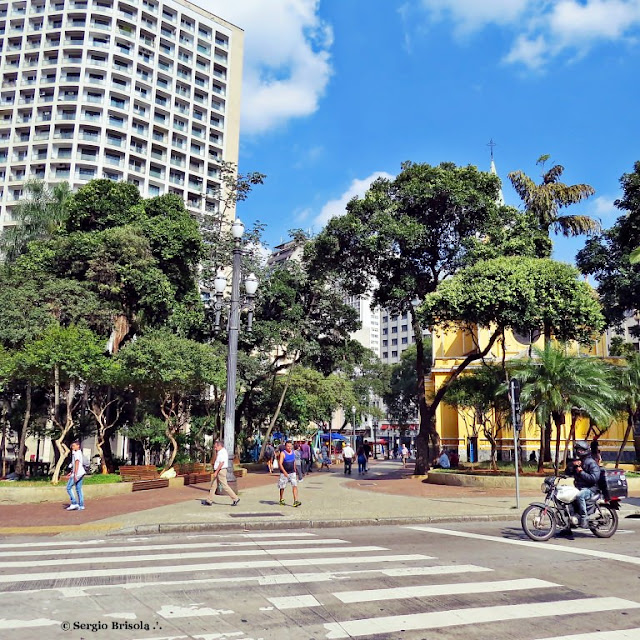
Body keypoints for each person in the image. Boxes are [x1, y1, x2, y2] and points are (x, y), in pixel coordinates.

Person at [565, 440, 601, 528]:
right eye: (577, 449)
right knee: (566, 499)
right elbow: (568, 473)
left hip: (590, 489)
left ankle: (584, 518)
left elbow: (594, 478)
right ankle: (567, 526)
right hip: (579, 487)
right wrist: (572, 465)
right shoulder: (579, 461)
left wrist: (581, 472)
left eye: (580, 450)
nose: (578, 452)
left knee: (580, 496)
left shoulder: (591, 463)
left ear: (585, 450)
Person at [203, 440, 240, 507]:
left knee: (224, 485)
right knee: (213, 485)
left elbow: (221, 463)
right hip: (219, 470)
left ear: (220, 446)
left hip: (220, 471)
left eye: (216, 447)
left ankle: (235, 498)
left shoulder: (222, 452)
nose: (215, 448)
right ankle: (209, 500)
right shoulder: (222, 451)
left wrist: (216, 471)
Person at [278, 441, 301, 507]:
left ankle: (295, 501)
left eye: (290, 446)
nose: (289, 447)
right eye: (288, 446)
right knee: (282, 487)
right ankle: (281, 499)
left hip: (292, 472)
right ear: (285, 447)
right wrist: (284, 472)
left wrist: (295, 470)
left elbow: (293, 461)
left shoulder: (293, 452)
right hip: (284, 473)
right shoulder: (283, 453)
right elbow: (280, 463)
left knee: (295, 485)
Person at [66, 440, 86, 511]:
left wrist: (75, 474)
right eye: (72, 446)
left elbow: (77, 463)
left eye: (74, 446)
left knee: (68, 487)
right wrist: (72, 472)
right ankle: (81, 505)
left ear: (78, 446)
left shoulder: (77, 453)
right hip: (81, 473)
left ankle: (74, 503)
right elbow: (75, 464)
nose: (72, 447)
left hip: (77, 473)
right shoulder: (77, 453)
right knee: (78, 489)